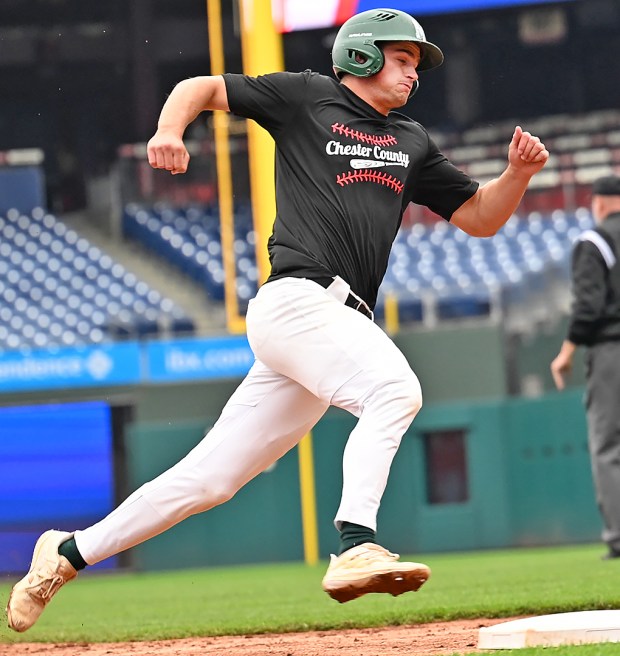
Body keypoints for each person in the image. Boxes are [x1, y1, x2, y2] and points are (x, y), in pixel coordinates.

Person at [6, 8, 549, 632]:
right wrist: (170, 130)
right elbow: (202, 88)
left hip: (334, 322)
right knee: (395, 389)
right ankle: (354, 544)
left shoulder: (411, 140)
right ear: (364, 56)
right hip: (299, 300)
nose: (413, 74)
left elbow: (480, 217)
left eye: (416, 65)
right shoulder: (309, 97)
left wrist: (518, 175)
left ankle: (65, 554)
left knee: (210, 480)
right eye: (403, 59)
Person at [550, 174, 620, 560]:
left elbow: (588, 308)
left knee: (609, 446)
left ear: (599, 203)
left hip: (613, 351)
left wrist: (566, 351)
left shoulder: (596, 240)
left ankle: (619, 538)